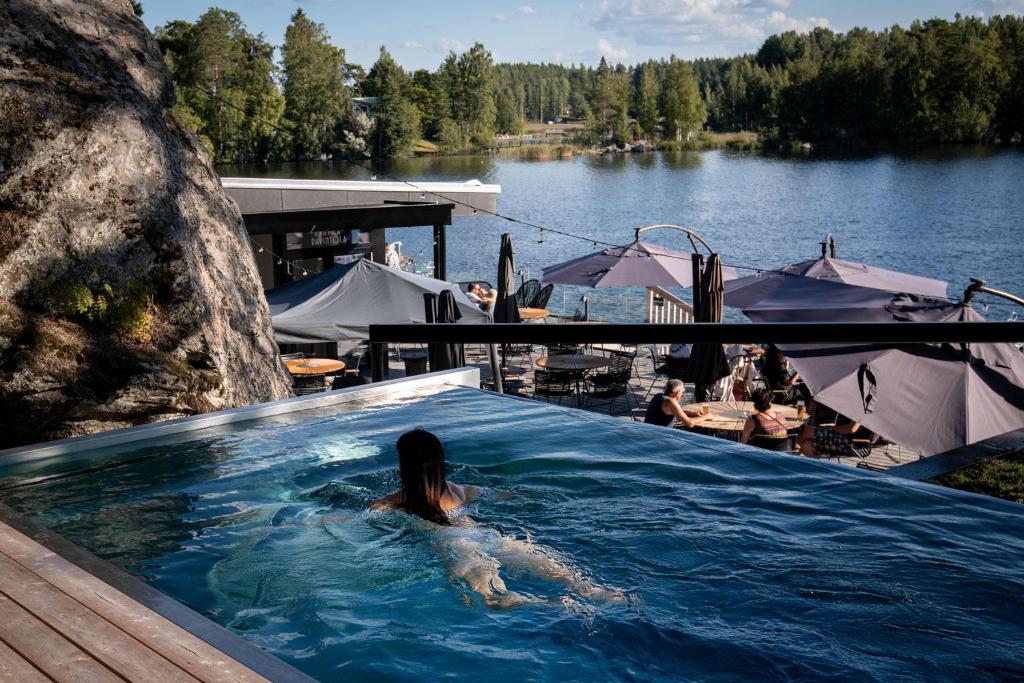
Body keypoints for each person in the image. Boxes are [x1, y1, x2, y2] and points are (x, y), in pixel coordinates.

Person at [370, 429, 621, 608]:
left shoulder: (394, 503)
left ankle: (552, 604)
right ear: (439, 462)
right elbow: (497, 494)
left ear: (405, 466)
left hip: (455, 544)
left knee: (491, 599)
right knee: (549, 566)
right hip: (486, 534)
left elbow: (366, 518)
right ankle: (594, 591)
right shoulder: (460, 490)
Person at [644, 379, 709, 429]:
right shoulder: (671, 401)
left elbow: (674, 411)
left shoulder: (659, 396)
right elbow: (689, 423)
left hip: (648, 430)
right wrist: (706, 416)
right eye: (682, 391)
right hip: (658, 435)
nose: (682, 394)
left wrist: (692, 413)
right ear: (678, 392)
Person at [797, 414, 862, 459]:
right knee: (807, 446)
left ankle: (793, 457)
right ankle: (818, 470)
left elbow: (852, 429)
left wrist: (830, 429)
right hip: (842, 439)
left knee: (808, 431)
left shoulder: (861, 405)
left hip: (851, 444)